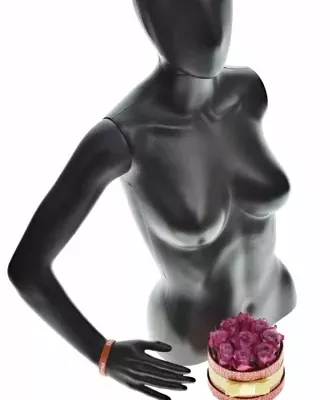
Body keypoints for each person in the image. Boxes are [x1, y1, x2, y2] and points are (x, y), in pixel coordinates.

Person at [7, 1, 296, 399]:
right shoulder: (122, 138)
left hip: (278, 303)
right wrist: (102, 353)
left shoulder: (247, 90)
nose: (207, 24)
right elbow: (27, 267)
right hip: (189, 341)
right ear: (146, 13)